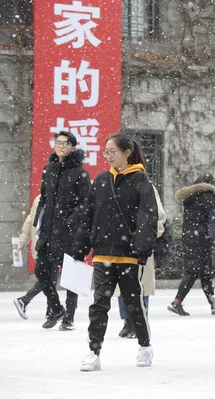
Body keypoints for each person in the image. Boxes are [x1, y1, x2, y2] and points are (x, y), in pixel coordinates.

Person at [73, 133, 158, 371]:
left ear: (126, 153)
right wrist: (80, 248)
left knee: (133, 303)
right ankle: (93, 351)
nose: (108, 156)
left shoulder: (142, 181)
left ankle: (145, 345)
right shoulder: (100, 181)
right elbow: (88, 215)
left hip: (128, 254)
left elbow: (147, 217)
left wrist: (141, 248)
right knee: (99, 304)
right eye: (106, 152)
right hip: (102, 253)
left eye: (112, 151)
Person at [33, 131, 91, 331]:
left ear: (73, 147)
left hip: (69, 233)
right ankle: (55, 308)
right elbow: (43, 199)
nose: (60, 146)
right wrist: (37, 222)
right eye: (57, 142)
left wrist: (70, 221)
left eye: (64, 143)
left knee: (71, 276)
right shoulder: (48, 169)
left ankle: (69, 317)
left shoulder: (80, 173)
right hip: (48, 231)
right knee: (41, 270)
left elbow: (86, 204)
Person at [167, 174, 215, 316]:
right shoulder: (206, 195)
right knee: (194, 272)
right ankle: (176, 302)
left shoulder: (191, 196)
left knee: (204, 272)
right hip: (201, 239)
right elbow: (213, 215)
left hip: (191, 237)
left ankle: (213, 305)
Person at [117, 185, 167, 339]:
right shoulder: (114, 184)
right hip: (119, 243)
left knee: (141, 285)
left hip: (141, 242)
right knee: (122, 285)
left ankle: (138, 321)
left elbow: (159, 216)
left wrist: (149, 235)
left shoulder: (147, 187)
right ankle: (127, 320)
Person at [13, 194, 48, 320]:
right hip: (45, 247)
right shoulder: (43, 199)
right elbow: (31, 221)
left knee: (48, 279)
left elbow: (29, 220)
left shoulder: (39, 198)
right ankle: (24, 300)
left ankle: (53, 311)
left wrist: (23, 240)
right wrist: (22, 240)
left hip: (42, 246)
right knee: (48, 280)